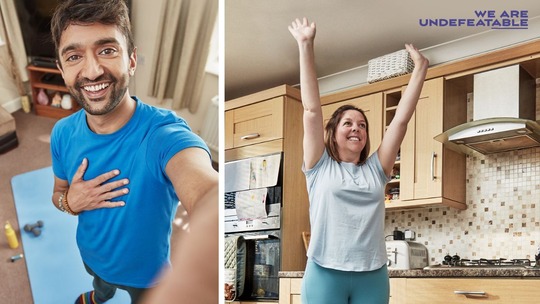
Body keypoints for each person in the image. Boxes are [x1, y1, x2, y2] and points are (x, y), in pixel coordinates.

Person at [49, 0, 218, 303]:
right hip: (91, 254)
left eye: (107, 50)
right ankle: (99, 296)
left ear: (131, 60)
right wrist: (70, 202)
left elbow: (210, 196)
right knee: (101, 286)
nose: (92, 70)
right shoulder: (61, 133)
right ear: (62, 70)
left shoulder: (163, 136)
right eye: (74, 56)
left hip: (148, 276)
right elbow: (58, 194)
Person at [288, 18, 429, 304]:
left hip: (372, 273)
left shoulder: (376, 171)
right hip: (324, 272)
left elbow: (400, 122)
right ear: (333, 132)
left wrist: (420, 71)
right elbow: (312, 110)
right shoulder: (319, 166)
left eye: (362, 125)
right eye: (348, 123)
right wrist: (306, 45)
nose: (356, 128)